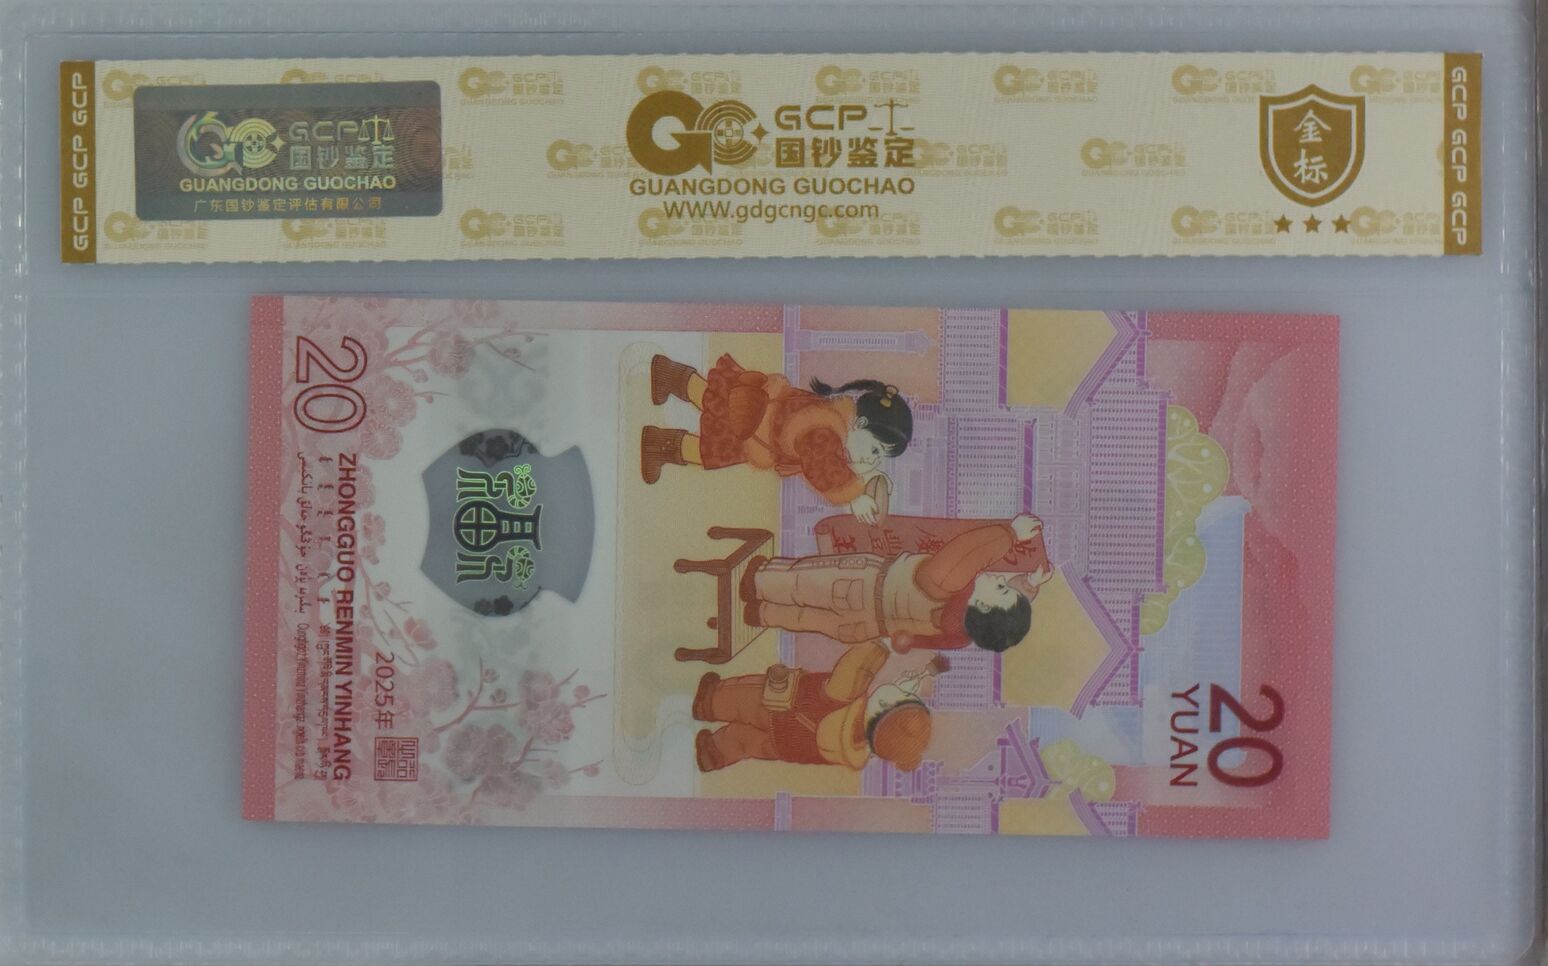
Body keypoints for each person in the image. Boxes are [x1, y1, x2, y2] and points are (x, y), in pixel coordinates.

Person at [641, 353, 913, 523]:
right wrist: (853, 497)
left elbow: (838, 461)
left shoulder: (836, 420)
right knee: (709, 448)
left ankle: (669, 377)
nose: (873, 460)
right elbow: (823, 468)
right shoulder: (827, 431)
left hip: (761, 413)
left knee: (713, 397)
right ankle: (658, 443)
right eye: (876, 450)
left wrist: (870, 478)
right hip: (757, 428)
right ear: (861, 424)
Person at [741, 513, 1053, 653]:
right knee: (805, 619)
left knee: (800, 583)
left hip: (859, 587)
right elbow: (912, 642)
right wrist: (1028, 584)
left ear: (982, 604)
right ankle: (763, 614)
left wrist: (1011, 533)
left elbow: (968, 553)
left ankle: (757, 582)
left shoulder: (948, 583)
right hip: (865, 628)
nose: (998, 578)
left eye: (1000, 587)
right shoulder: (961, 635)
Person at [692, 644, 947, 772]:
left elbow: (856, 666)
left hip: (779, 709)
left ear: (884, 706)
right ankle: (714, 753)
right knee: (745, 742)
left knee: (742, 699)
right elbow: (897, 696)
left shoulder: (846, 695)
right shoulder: (855, 751)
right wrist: (921, 676)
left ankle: (709, 701)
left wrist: (880, 647)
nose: (905, 689)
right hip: (784, 747)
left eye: (903, 696)